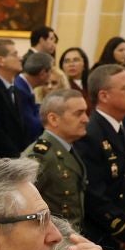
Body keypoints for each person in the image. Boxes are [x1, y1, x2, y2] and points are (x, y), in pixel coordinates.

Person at [74, 63, 125, 250]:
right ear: (104, 96)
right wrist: (124, 230)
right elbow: (93, 194)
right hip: (99, 236)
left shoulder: (121, 128)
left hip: (119, 233)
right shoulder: (90, 132)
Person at [23, 88, 91, 227]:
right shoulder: (40, 155)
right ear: (53, 119)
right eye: (79, 114)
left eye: (85, 112)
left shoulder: (67, 147)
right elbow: (23, 205)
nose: (86, 119)